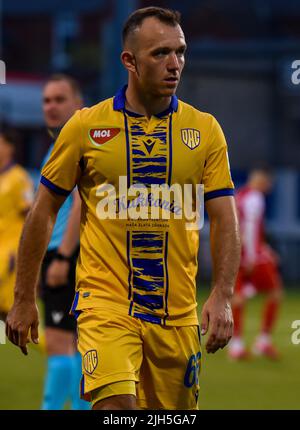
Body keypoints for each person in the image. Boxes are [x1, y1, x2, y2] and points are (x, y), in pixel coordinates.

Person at [6, 7, 241, 410]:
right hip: (105, 303)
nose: (175, 64)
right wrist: (24, 296)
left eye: (180, 51)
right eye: (160, 53)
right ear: (128, 61)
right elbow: (43, 211)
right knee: (117, 409)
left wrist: (222, 294)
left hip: (178, 314)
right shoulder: (84, 127)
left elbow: (223, 217)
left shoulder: (205, 130)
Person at [40, 74, 89, 409]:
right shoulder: (63, 143)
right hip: (67, 254)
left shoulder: (73, 142)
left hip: (67, 256)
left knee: (59, 343)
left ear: (78, 103)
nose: (51, 106)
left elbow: (81, 202)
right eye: (46, 100)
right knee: (79, 345)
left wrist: (62, 257)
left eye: (59, 99)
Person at [228, 168, 283, 360]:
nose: (268, 188)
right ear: (261, 181)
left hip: (235, 252)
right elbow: (250, 229)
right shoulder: (255, 198)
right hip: (250, 254)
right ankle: (263, 342)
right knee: (275, 293)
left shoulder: (239, 195)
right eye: (267, 184)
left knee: (238, 296)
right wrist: (252, 256)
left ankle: (236, 345)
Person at [0, 129, 34, 321]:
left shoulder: (19, 178)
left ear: (10, 147)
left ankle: (57, 348)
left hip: (10, 252)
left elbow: (31, 216)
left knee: (13, 314)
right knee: (7, 317)